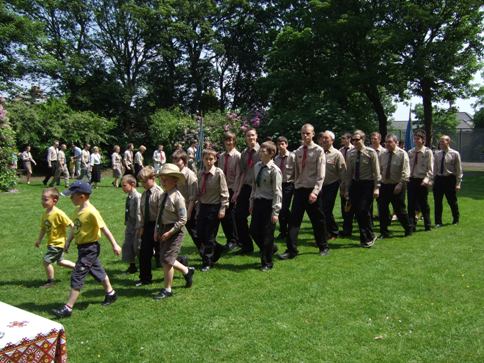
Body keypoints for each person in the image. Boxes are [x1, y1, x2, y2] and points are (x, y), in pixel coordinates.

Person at [52, 181, 121, 318]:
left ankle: (68, 308)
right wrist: (68, 241)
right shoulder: (78, 210)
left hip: (90, 248)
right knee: (97, 270)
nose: (71, 198)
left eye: (72, 196)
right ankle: (111, 293)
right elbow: (75, 228)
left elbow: (104, 229)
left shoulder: (91, 212)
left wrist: (114, 244)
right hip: (82, 247)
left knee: (77, 275)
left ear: (82, 196)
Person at [279, 124, 329, 259]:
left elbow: (321, 174)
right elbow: (295, 172)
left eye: (307, 133)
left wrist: (315, 191)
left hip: (313, 191)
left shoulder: (319, 151)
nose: (305, 136)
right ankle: (291, 250)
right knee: (294, 221)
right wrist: (295, 185)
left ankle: (323, 246)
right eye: (303, 133)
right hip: (300, 190)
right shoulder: (298, 151)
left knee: (317, 220)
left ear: (313, 134)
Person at [153, 163, 195, 299]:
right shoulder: (163, 195)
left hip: (175, 231)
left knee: (167, 261)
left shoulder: (178, 197)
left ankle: (168, 289)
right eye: (162, 179)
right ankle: (187, 271)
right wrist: (156, 230)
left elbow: (183, 219)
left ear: (175, 180)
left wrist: (170, 232)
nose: (163, 182)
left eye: (166, 179)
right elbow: (159, 214)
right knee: (165, 258)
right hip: (163, 229)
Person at [344, 130, 380, 248]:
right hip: (355, 185)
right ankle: (368, 236)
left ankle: (366, 237)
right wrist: (346, 188)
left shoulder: (371, 152)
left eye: (357, 139)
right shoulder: (351, 153)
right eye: (353, 140)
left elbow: (376, 172)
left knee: (363, 210)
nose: (354, 142)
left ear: (363, 139)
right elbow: (349, 172)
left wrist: (376, 188)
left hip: (367, 185)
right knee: (359, 212)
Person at [249, 141, 282, 271]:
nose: (260, 151)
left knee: (268, 234)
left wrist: (276, 212)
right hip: (258, 202)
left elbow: (277, 192)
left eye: (263, 150)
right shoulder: (257, 166)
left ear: (271, 153)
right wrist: (251, 202)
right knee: (253, 230)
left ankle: (267, 263)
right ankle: (270, 248)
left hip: (269, 204)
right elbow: (254, 186)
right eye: (260, 149)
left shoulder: (275, 170)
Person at [34, 188, 75, 288]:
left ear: (55, 200)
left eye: (45, 199)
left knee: (46, 261)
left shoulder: (58, 213)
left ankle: (50, 281)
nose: (43, 202)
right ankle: (81, 268)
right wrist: (39, 240)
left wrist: (68, 240)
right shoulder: (45, 214)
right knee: (60, 262)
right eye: (42, 199)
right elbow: (43, 228)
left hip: (57, 243)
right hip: (51, 242)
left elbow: (72, 225)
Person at [196, 149, 229, 271]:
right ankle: (218, 248)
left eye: (211, 159)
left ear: (215, 159)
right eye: (206, 159)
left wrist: (223, 208)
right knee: (200, 233)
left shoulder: (219, 173)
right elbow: (198, 192)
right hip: (203, 206)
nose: (209, 162)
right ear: (203, 160)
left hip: (214, 207)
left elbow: (224, 192)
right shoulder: (200, 173)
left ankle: (208, 261)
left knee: (209, 236)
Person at [378, 134, 412, 238]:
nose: (387, 144)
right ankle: (384, 231)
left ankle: (408, 228)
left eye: (390, 142)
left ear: (396, 142)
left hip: (397, 185)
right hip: (384, 185)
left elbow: (406, 171)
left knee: (399, 210)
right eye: (386, 142)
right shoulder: (382, 154)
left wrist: (401, 184)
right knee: (382, 209)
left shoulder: (402, 154)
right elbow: (379, 169)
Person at [233, 128, 260, 254]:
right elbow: (243, 173)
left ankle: (266, 245)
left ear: (256, 136)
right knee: (238, 216)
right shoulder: (244, 153)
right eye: (248, 136)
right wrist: (238, 191)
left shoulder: (262, 151)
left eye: (252, 135)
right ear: (245, 138)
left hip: (259, 189)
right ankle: (247, 246)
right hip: (246, 187)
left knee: (258, 221)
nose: (250, 138)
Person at [135, 166, 163, 286]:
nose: (143, 184)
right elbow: (141, 212)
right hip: (147, 226)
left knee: (163, 255)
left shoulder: (159, 193)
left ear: (153, 178)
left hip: (158, 225)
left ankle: (182, 264)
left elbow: (161, 213)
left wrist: (157, 229)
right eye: (141, 182)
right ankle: (145, 278)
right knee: (144, 253)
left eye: (145, 181)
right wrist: (141, 227)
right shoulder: (144, 194)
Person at [318, 131, 346, 240]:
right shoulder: (318, 152)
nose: (324, 140)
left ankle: (331, 232)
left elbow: (343, 171)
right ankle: (331, 230)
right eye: (323, 138)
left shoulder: (337, 154)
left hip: (331, 185)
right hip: (319, 185)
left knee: (326, 209)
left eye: (326, 138)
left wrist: (344, 187)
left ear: (332, 140)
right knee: (321, 209)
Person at [172, 149, 200, 252]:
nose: (176, 163)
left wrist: (188, 213)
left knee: (196, 233)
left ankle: (210, 253)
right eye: (174, 161)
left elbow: (193, 196)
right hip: (180, 208)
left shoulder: (190, 175)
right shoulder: (175, 174)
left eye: (178, 160)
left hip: (190, 208)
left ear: (184, 161)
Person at [217, 132, 241, 250]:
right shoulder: (221, 156)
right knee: (223, 216)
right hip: (222, 189)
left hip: (232, 188)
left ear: (234, 141)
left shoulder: (237, 156)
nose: (229, 142)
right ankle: (230, 239)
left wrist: (236, 191)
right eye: (227, 140)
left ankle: (234, 240)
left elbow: (238, 175)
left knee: (230, 215)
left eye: (231, 140)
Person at [433, 135, 463, 227]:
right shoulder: (437, 154)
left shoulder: (455, 154)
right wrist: (432, 180)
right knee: (437, 202)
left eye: (443, 141)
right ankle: (438, 222)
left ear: (448, 142)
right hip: (439, 179)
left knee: (452, 201)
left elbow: (459, 170)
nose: (440, 143)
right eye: (440, 141)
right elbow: (435, 168)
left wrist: (458, 183)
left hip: (450, 179)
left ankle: (456, 219)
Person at [407, 130, 433, 231]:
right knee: (411, 204)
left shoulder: (427, 152)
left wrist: (427, 179)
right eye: (415, 138)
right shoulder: (410, 152)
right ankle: (411, 225)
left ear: (423, 140)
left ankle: (427, 223)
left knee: (423, 203)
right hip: (411, 180)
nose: (416, 140)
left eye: (418, 139)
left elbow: (431, 168)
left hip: (422, 181)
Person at [274, 136, 295, 240]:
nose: (281, 146)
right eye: (279, 144)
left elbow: (297, 171)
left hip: (289, 185)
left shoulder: (292, 156)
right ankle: (285, 229)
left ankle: (284, 231)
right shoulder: (276, 158)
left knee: (283, 208)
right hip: (279, 185)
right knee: (280, 208)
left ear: (286, 144)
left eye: (283, 144)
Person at [121, 174, 141, 274]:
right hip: (130, 225)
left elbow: (138, 213)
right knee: (128, 245)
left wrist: (139, 228)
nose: (122, 188)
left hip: (136, 226)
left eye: (124, 185)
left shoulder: (137, 197)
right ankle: (132, 266)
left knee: (137, 246)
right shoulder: (129, 196)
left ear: (132, 184)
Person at [338, 133, 355, 237]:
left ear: (349, 139)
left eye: (344, 138)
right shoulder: (340, 151)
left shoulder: (353, 150)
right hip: (343, 180)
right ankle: (346, 227)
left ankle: (348, 228)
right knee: (344, 204)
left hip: (353, 180)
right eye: (342, 138)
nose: (342, 140)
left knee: (351, 204)